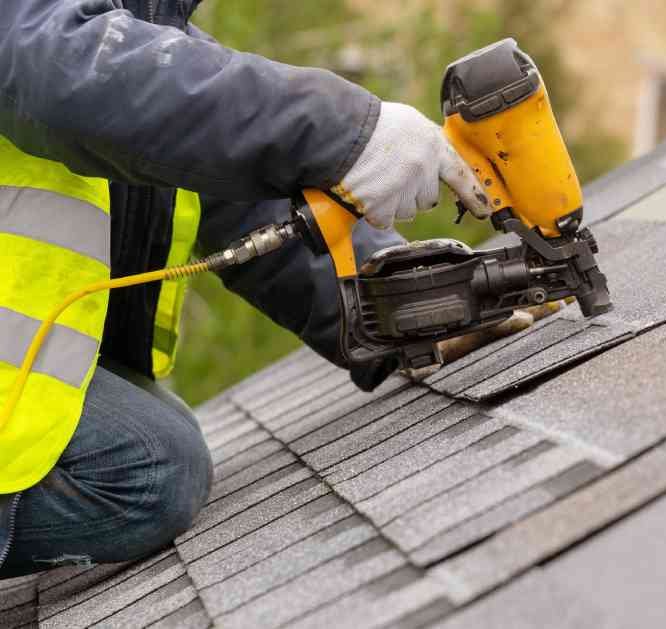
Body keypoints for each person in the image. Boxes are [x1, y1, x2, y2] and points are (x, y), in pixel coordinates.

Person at [0, 0, 496, 578]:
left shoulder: (141, 30)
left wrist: (396, 302)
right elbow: (70, 72)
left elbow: (241, 200)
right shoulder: (74, 35)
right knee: (147, 467)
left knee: (157, 436)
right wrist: (343, 132)